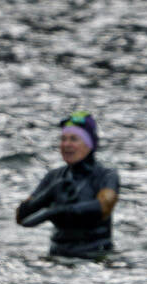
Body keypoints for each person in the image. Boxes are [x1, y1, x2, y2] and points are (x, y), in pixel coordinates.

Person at [15, 110, 121, 258]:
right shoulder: (53, 177)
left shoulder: (106, 176)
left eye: (73, 139)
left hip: (95, 256)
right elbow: (21, 217)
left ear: (89, 144)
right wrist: (48, 194)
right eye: (63, 139)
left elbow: (104, 206)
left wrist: (60, 210)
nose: (66, 145)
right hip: (58, 256)